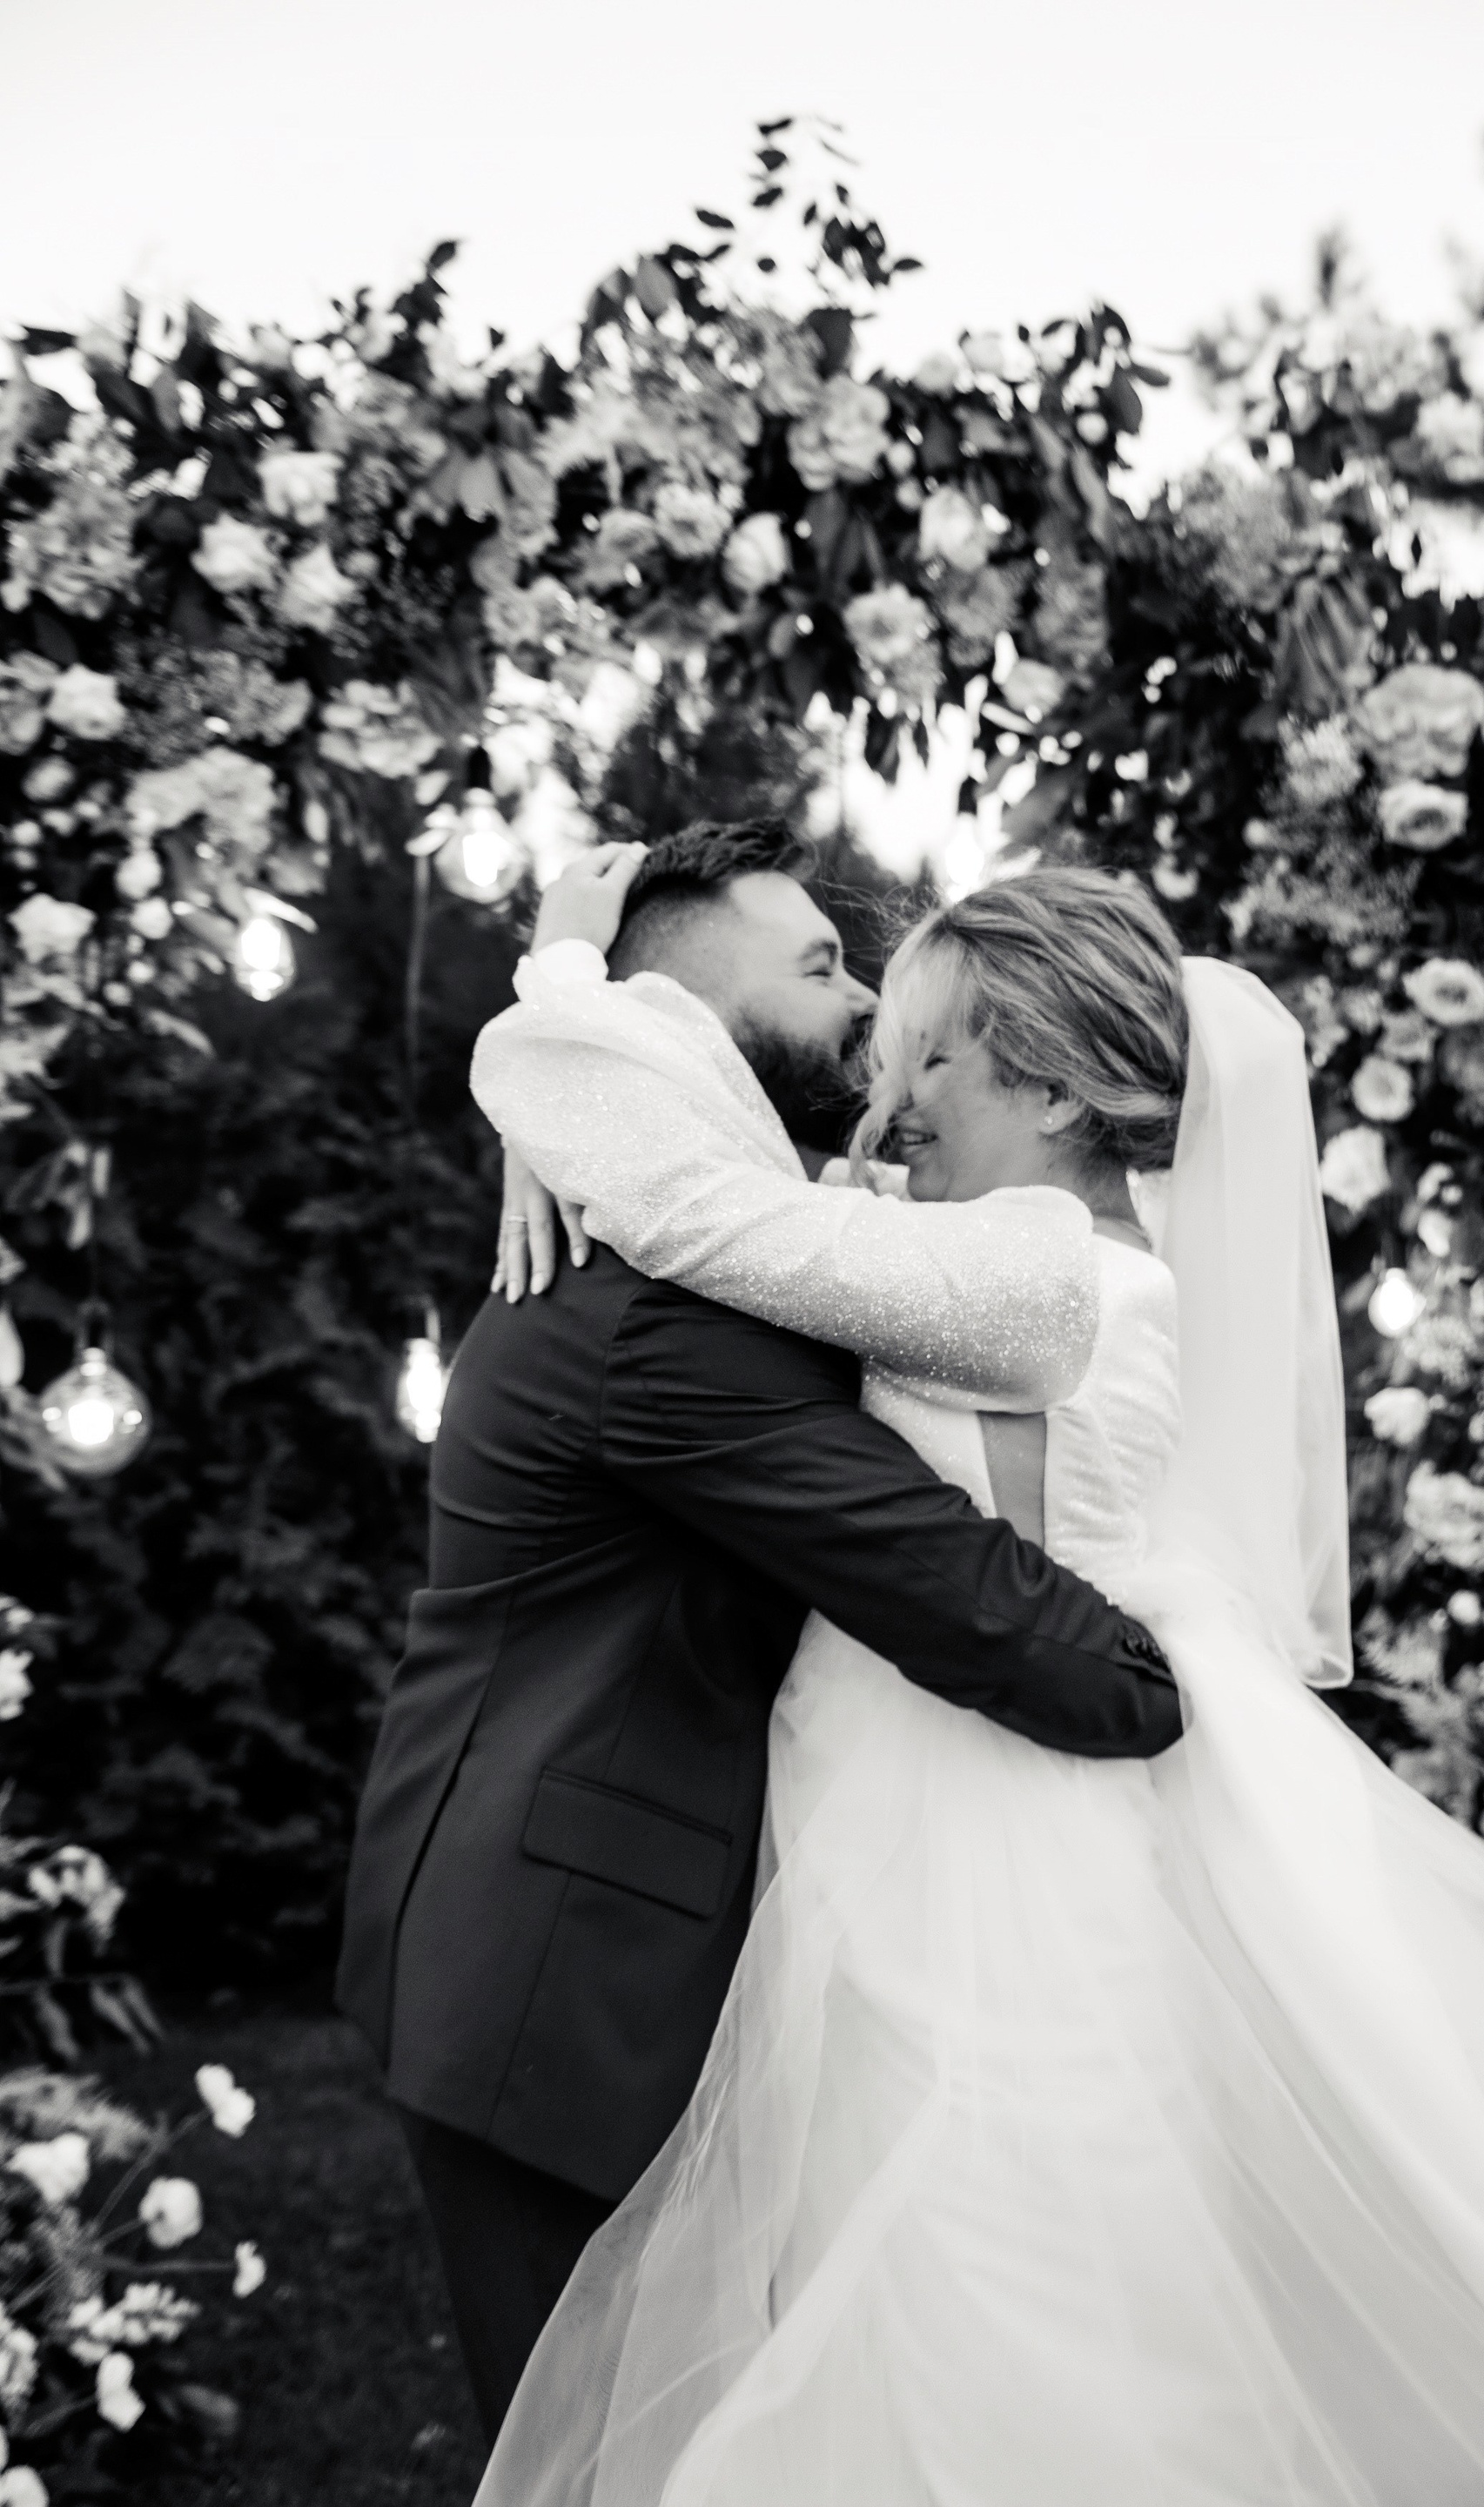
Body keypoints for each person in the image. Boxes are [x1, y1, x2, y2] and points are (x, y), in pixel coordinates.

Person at [470, 850, 1484, 2506]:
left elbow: (698, 1207)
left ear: (1046, 1088)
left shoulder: (1039, 1277)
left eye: (934, 1057)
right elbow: (705, 1175)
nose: (892, 1098)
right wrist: (552, 1125)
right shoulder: (998, 1251)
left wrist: (561, 982)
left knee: (991, 2265)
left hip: (973, 1817)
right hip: (938, 1763)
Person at [334, 820, 1183, 2445]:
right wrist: (1152, 1679)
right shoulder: (669, 1311)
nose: (869, 1013)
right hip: (558, 1973)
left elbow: (719, 1190)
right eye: (822, 969)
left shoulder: (692, 1230)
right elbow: (953, 1587)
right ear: (687, 1020)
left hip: (584, 1904)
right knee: (610, 2455)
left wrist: (556, 1036)